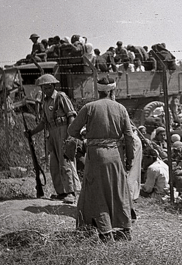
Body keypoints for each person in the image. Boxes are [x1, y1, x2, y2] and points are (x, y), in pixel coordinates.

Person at [68, 77, 135, 242]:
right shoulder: (120, 108)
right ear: (112, 91)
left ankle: (105, 233)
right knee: (119, 191)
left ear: (99, 91)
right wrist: (129, 159)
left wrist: (85, 139)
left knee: (98, 192)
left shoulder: (89, 107)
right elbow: (129, 137)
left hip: (96, 155)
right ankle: (125, 230)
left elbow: (71, 130)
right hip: (116, 155)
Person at [27, 74, 80, 204]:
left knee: (65, 162)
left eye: (49, 87)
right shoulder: (45, 102)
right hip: (52, 132)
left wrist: (70, 134)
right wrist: (32, 132)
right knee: (54, 164)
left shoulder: (60, 97)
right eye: (44, 88)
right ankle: (61, 192)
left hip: (63, 130)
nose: (47, 90)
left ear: (54, 86)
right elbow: (44, 122)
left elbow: (71, 114)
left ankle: (71, 192)